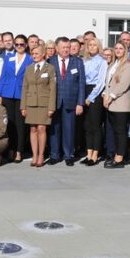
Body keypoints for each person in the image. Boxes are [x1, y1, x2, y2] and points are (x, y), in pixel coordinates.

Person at [48, 36, 85, 166]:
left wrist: (80, 103)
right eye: (63, 47)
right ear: (57, 48)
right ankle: (54, 155)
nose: (66, 50)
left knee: (69, 129)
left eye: (68, 47)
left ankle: (68, 155)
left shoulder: (78, 62)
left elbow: (81, 83)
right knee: (54, 129)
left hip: (71, 101)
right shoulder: (50, 61)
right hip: (54, 101)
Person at [0, 34, 32, 162]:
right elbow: (3, 76)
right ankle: (10, 149)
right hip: (7, 93)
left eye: (21, 44)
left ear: (26, 45)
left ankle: (19, 151)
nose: (19, 46)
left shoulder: (30, 59)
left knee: (20, 124)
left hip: (21, 94)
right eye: (16, 44)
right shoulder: (9, 57)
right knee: (10, 124)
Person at [21, 41, 56, 167]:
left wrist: (51, 107)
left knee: (41, 129)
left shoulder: (50, 68)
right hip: (30, 103)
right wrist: (23, 106)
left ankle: (41, 155)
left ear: (43, 54)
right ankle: (34, 155)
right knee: (32, 129)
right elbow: (24, 87)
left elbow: (53, 89)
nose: (34, 55)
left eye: (36, 53)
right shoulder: (29, 68)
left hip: (44, 103)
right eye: (32, 53)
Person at [102, 42, 130, 169]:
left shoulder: (127, 65)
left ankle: (120, 158)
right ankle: (115, 155)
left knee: (120, 132)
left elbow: (123, 85)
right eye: (116, 48)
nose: (118, 50)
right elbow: (107, 82)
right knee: (114, 131)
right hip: (110, 104)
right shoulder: (113, 65)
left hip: (120, 104)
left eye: (121, 48)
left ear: (125, 50)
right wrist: (105, 94)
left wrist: (111, 97)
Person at [81, 37, 107, 166]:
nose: (91, 47)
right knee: (87, 125)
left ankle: (95, 155)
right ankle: (88, 153)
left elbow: (101, 82)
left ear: (98, 47)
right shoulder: (84, 60)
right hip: (84, 90)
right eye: (89, 45)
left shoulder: (102, 61)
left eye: (94, 45)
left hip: (95, 93)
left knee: (95, 125)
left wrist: (90, 97)